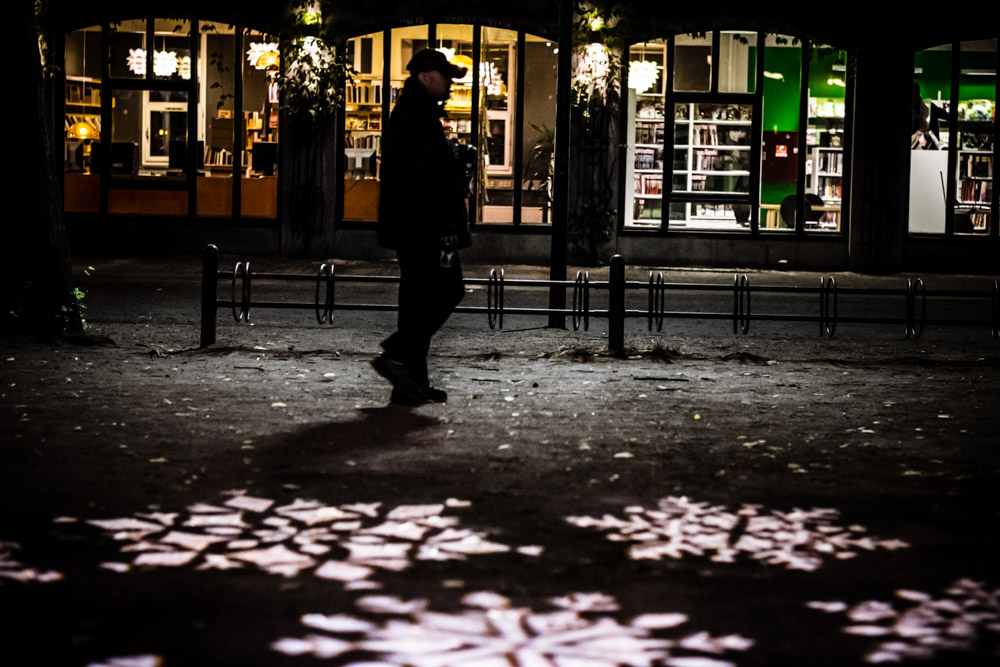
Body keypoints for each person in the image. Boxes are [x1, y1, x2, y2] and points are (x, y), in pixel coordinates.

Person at [371, 49, 471, 405]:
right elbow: (425, 179)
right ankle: (397, 355)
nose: (450, 86)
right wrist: (446, 226)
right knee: (448, 290)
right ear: (427, 76)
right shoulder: (416, 116)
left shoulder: (413, 112)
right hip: (425, 228)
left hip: (415, 226)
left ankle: (408, 385)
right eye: (446, 78)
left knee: (417, 300)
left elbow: (425, 171)